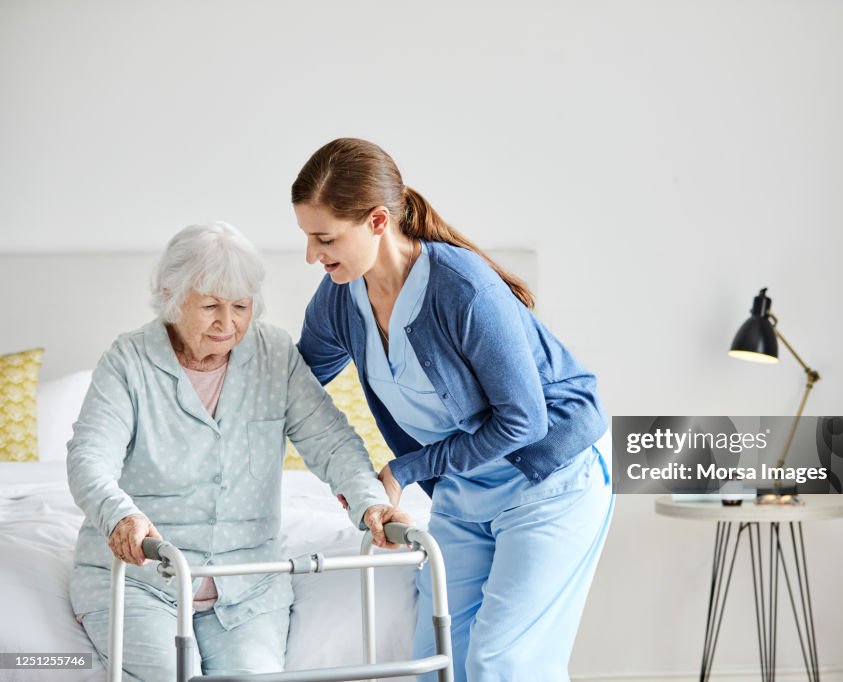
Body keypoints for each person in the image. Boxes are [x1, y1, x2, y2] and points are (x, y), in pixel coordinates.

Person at [291, 138, 614, 681]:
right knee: (436, 664)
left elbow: (524, 422)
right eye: (307, 238)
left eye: (324, 238)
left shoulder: (461, 288)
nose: (312, 256)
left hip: (549, 481)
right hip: (465, 491)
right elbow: (292, 390)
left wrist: (403, 470)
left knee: (499, 664)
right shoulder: (338, 300)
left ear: (376, 221)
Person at [67, 222, 409, 681]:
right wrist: (119, 516)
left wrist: (371, 501)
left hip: (248, 585)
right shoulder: (128, 361)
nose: (227, 324)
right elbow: (89, 457)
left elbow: (330, 441)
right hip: (140, 580)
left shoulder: (274, 354)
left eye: (241, 307)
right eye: (209, 306)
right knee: (170, 675)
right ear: (171, 295)